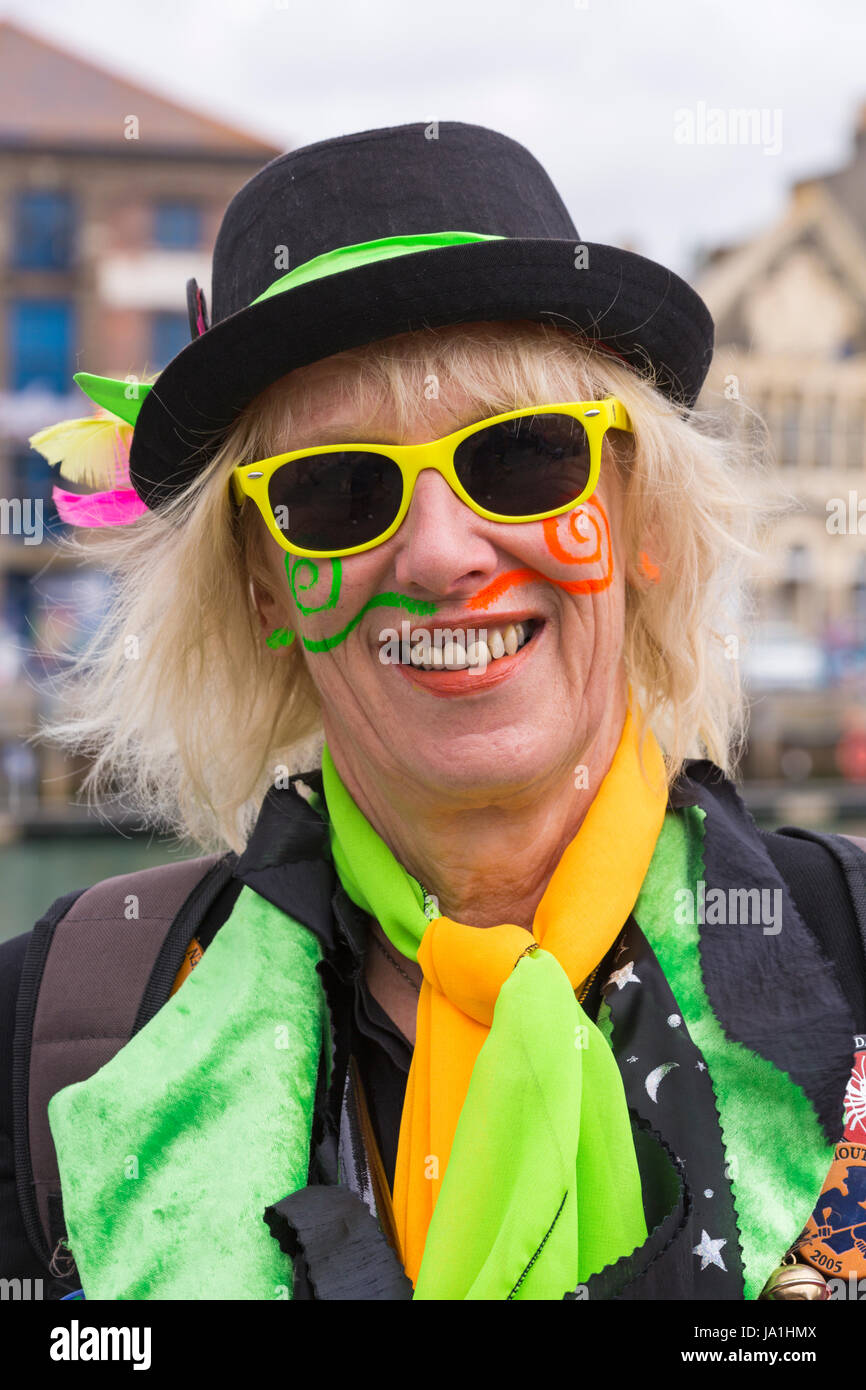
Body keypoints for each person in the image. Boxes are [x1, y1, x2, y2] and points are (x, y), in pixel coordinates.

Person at [2, 120, 865, 1302]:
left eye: (517, 458)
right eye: (337, 490)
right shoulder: (60, 1030)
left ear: (634, 516)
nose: (443, 553)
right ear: (264, 588)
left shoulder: (851, 956)